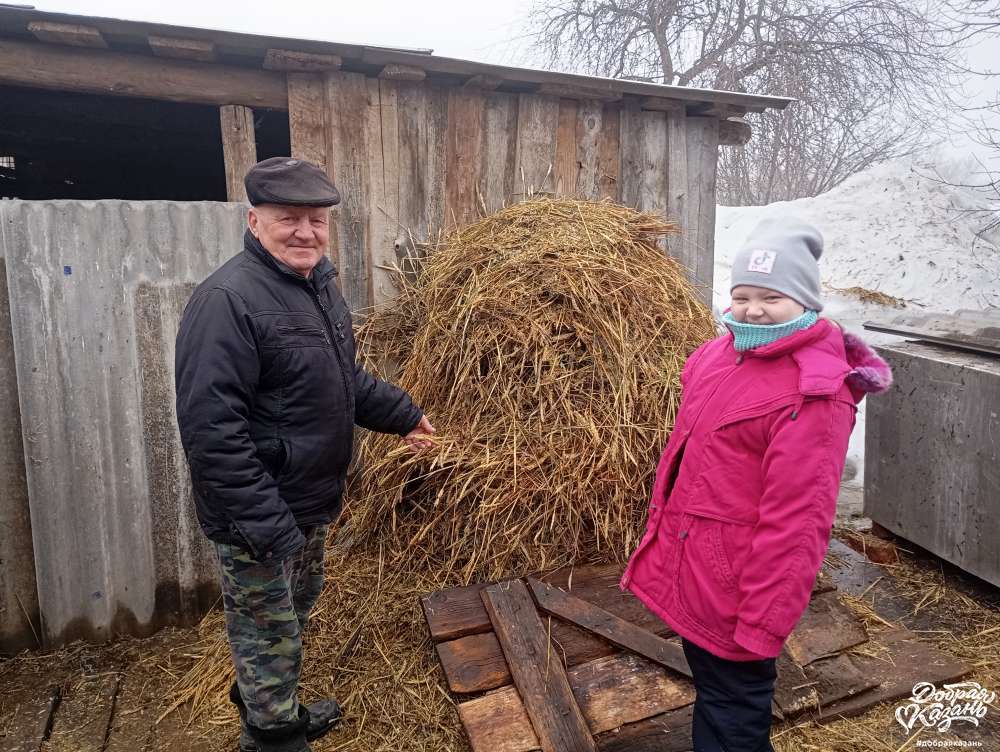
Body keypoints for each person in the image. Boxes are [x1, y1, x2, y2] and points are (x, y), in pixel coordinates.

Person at [175, 157, 435, 752]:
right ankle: (272, 738)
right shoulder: (228, 300)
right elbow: (212, 432)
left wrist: (403, 414)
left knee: (290, 617)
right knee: (269, 629)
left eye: (316, 219)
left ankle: (272, 704)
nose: (305, 231)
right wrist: (266, 524)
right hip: (259, 512)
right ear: (254, 220)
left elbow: (341, 380)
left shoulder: (316, 288)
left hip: (308, 500)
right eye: (287, 217)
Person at [620, 217, 892, 752]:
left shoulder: (815, 393)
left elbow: (798, 523)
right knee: (716, 697)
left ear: (806, 301)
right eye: (742, 295)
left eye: (772, 296)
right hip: (698, 566)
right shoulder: (722, 355)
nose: (753, 309)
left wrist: (763, 621)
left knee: (732, 716)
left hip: (738, 586)